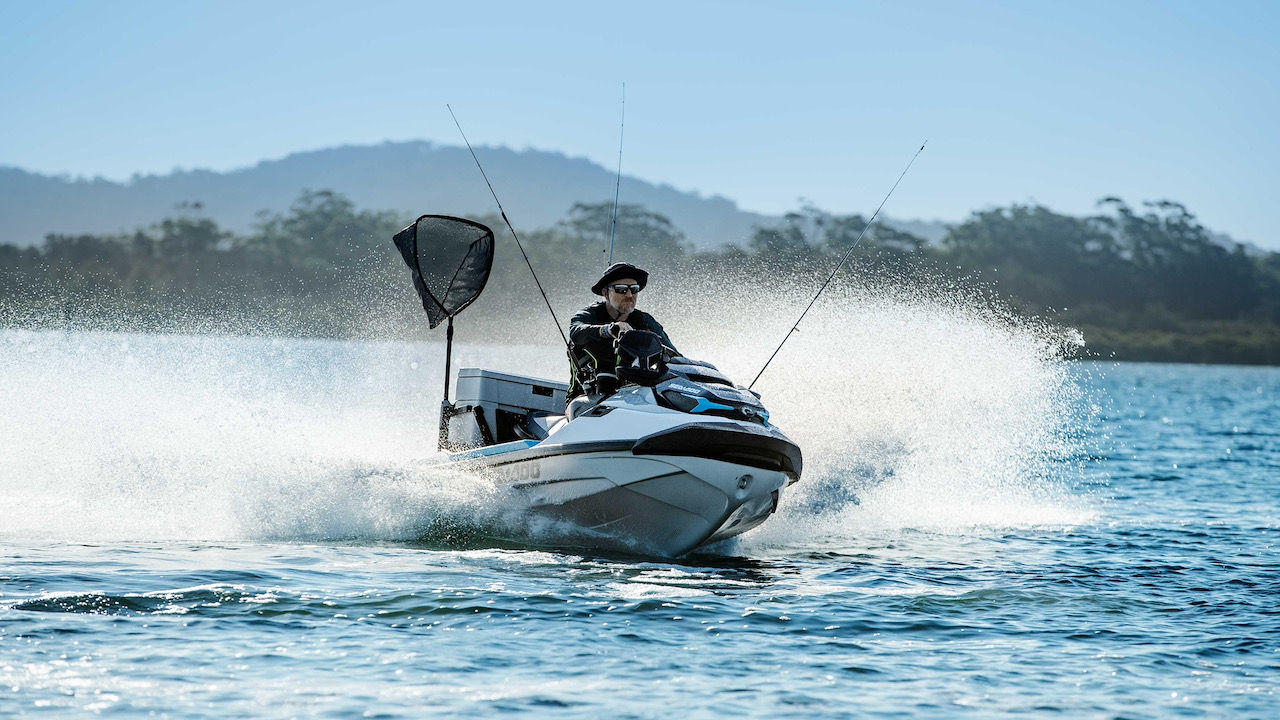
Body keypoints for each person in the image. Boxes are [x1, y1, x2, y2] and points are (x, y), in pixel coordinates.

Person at [567, 262, 678, 400]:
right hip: (585, 401)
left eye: (634, 289)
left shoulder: (645, 321)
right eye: (621, 289)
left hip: (634, 400)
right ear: (605, 293)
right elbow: (575, 331)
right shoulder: (589, 315)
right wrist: (608, 330)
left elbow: (676, 357)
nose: (629, 295)